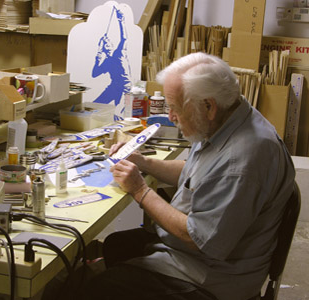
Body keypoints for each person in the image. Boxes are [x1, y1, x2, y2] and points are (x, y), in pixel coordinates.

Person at [80, 52, 295, 300]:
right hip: (199, 253)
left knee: (100, 289)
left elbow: (197, 237)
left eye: (175, 108)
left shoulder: (243, 159)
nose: (170, 117)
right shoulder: (230, 118)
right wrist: (144, 162)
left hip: (212, 277)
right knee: (116, 245)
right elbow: (201, 173)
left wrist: (140, 190)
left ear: (208, 106)